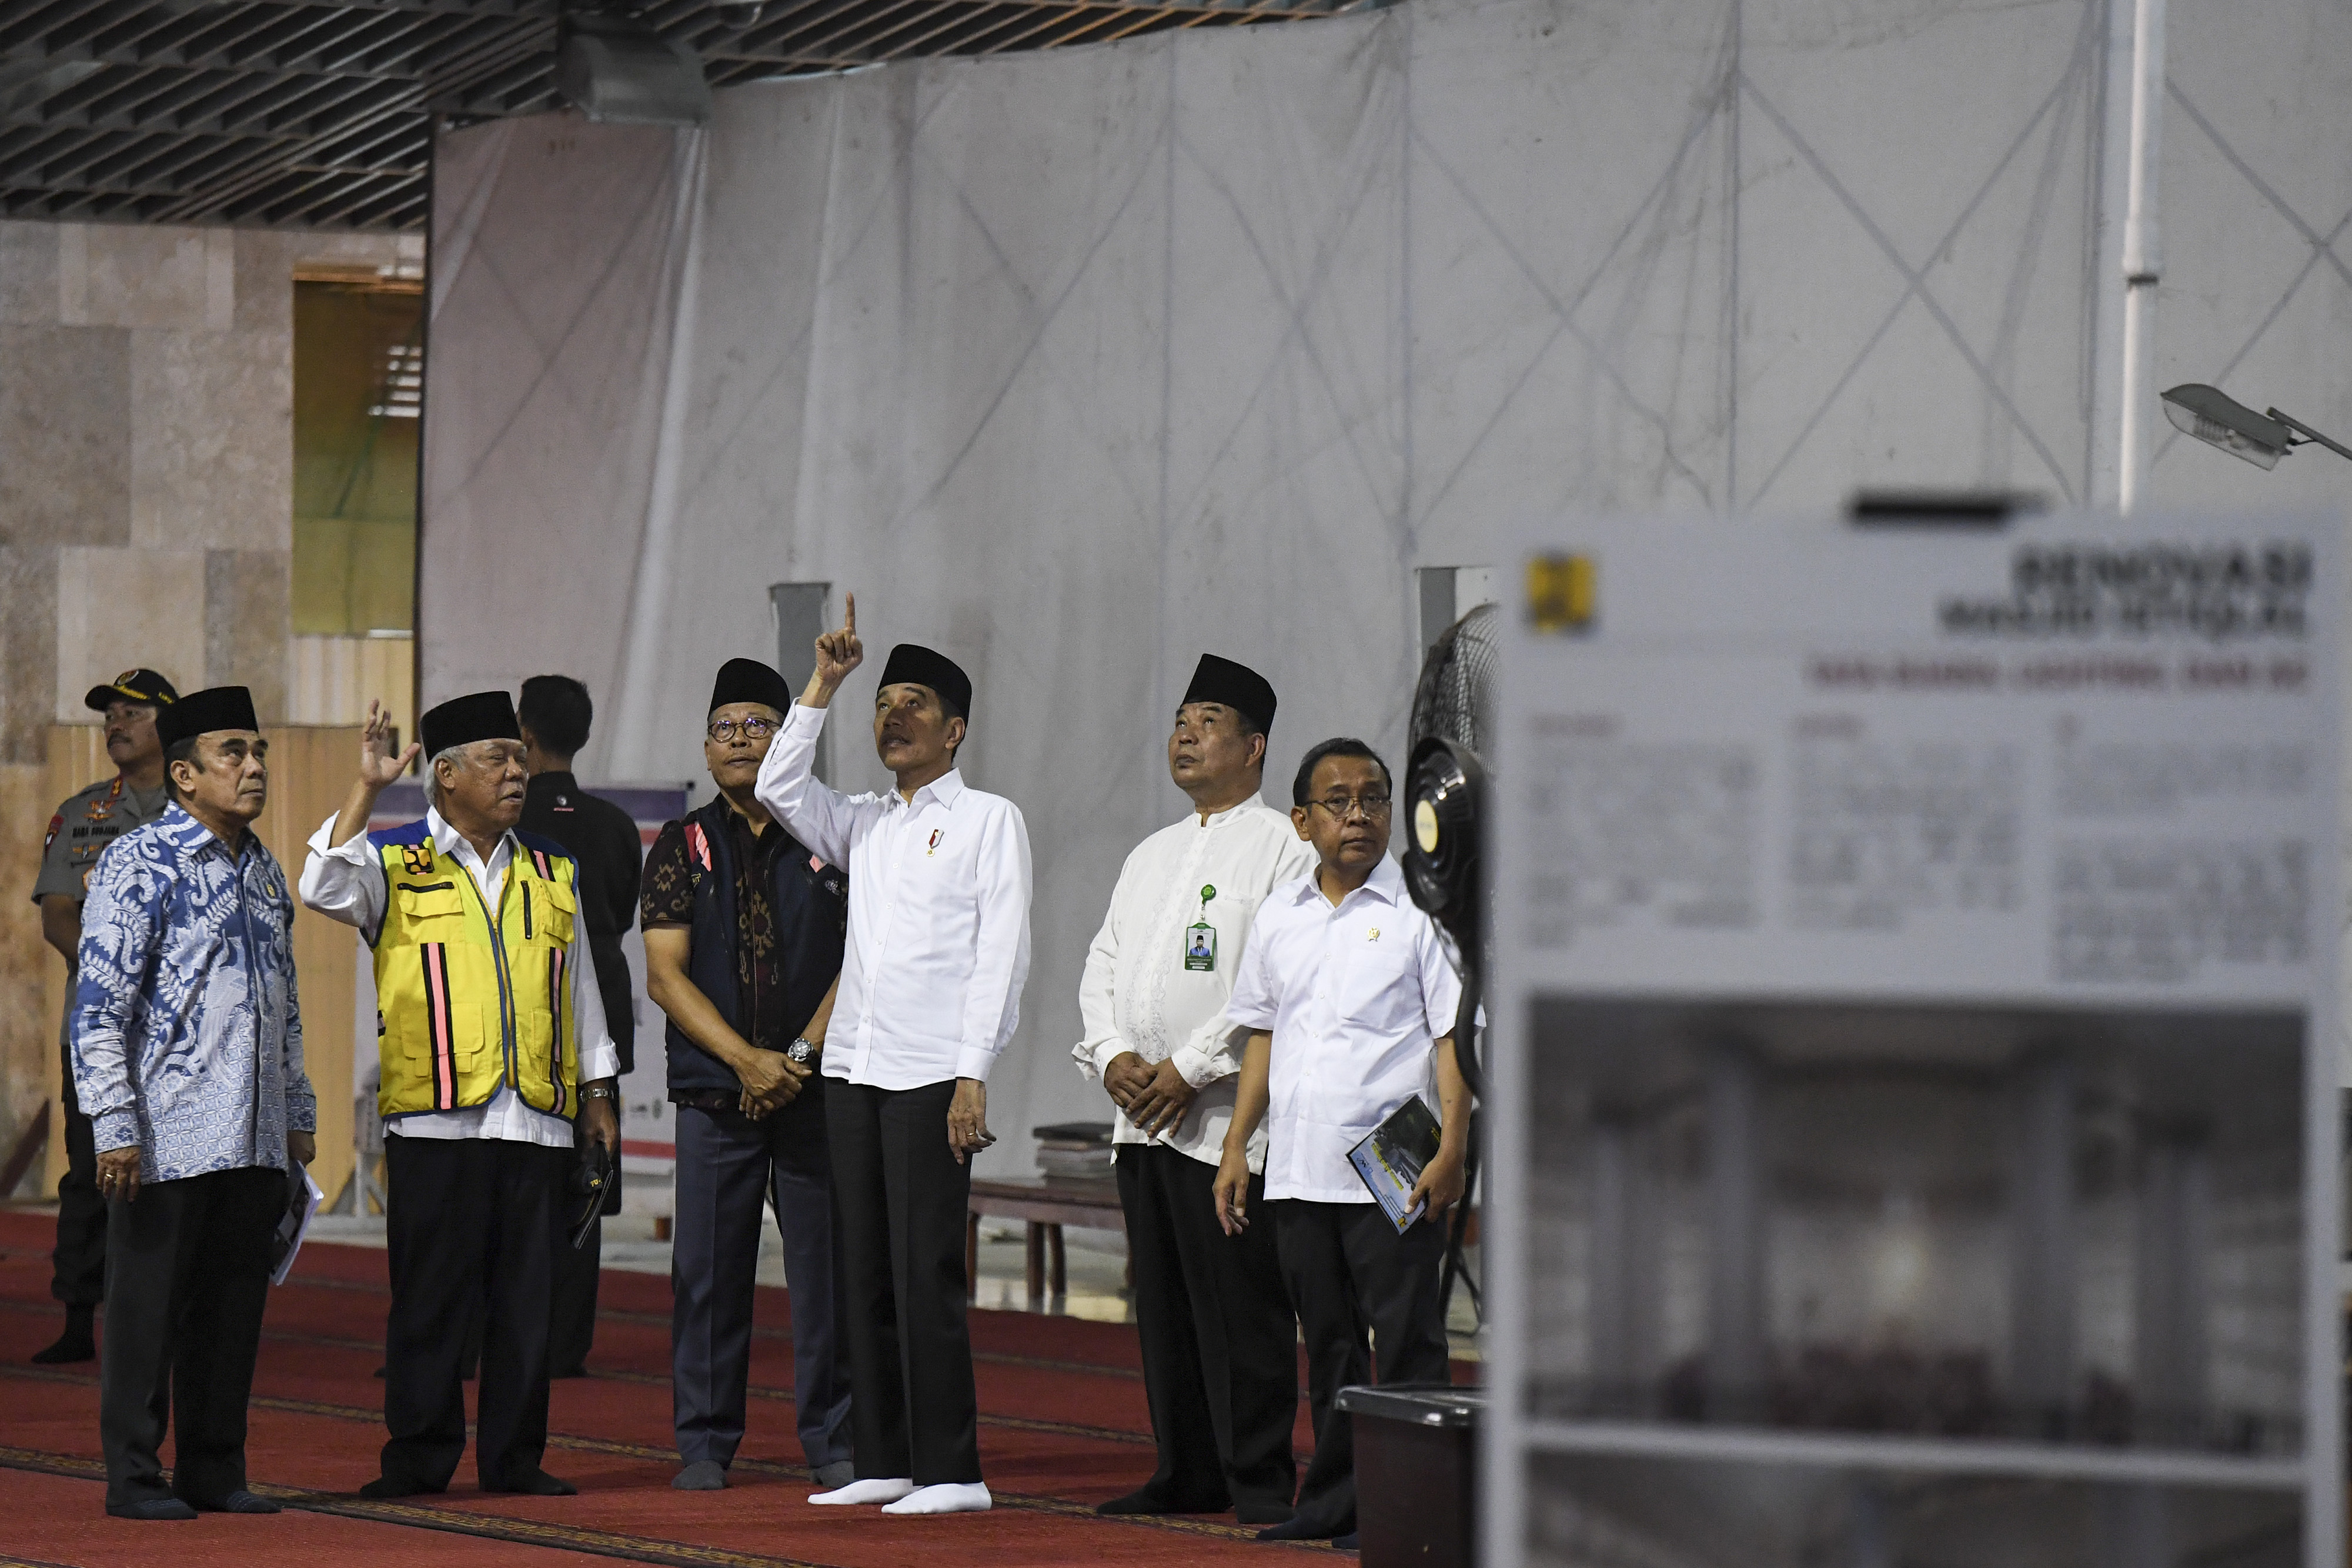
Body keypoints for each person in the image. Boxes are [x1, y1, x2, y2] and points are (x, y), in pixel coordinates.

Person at [299, 692, 620, 1499]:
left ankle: (515, 1459)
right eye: (496, 759)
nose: (517, 773)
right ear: (446, 775)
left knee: (526, 1306)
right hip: (436, 1120)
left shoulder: (551, 867)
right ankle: (418, 1457)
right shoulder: (394, 861)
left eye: (519, 758)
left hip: (535, 1120)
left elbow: (579, 984)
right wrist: (367, 787)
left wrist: (597, 1091)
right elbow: (320, 884)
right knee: (430, 1302)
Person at [756, 595, 1031, 1517]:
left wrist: (973, 1071)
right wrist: (823, 684)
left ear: (955, 730)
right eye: (883, 703)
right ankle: (885, 1456)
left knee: (925, 1273)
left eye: (914, 703)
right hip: (853, 1072)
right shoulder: (865, 821)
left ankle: (954, 1470)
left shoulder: (990, 819)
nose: (893, 715)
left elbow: (1002, 954)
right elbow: (779, 787)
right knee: (861, 1269)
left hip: (931, 1075)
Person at [1213, 738, 1471, 1547]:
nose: (1359, 814)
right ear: (1302, 820)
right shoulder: (1280, 914)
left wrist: (1454, 1148)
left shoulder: (1423, 909)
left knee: (1408, 1343)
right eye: (1338, 801)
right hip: (1298, 1166)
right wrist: (1236, 1144)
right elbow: (1263, 1034)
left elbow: (1452, 1039)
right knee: (1328, 1346)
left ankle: (1414, 1512)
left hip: (1397, 1160)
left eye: (1374, 798)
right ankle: (1334, 1502)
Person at [1073, 654, 1311, 1524]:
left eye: (1207, 721)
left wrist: (1189, 1066)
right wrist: (1110, 1054)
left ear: (1254, 746)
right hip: (1141, 1118)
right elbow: (1103, 961)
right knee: (1165, 1306)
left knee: (1240, 1305)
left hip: (1223, 1123)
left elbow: (1274, 982)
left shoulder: (1283, 847)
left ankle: (1258, 1479)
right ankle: (1186, 1471)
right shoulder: (1152, 852)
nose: (1185, 734)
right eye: (1180, 720)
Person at [72, 685, 318, 1520]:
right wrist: (114, 1124)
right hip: (165, 1133)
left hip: (252, 1137)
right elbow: (98, 1006)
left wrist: (297, 1113)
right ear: (184, 773)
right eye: (232, 753)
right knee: (146, 1316)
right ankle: (135, 1476)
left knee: (230, 1313)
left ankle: (213, 1468)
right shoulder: (139, 861)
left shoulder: (264, 868)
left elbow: (284, 1004)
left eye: (258, 752)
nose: (254, 768)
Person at [643, 657, 854, 1492]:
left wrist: (796, 1059)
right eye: (724, 728)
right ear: (705, 747)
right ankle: (704, 1443)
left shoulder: (830, 836)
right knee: (707, 1274)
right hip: (714, 1092)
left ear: (789, 739)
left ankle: (834, 1439)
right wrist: (745, 1060)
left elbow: (864, 958)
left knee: (825, 1272)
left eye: (758, 725)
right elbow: (665, 976)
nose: (739, 740)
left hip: (815, 1089)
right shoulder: (681, 843)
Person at [29, 668, 179, 1365]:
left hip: (183, 1033)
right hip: (100, 1031)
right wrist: (116, 975)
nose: (115, 725)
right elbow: (59, 915)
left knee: (178, 1176)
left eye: (131, 713)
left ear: (167, 725)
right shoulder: (82, 813)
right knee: (93, 1170)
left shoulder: (200, 810)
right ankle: (77, 1317)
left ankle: (171, 1313)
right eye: (110, 715)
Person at [517, 674, 645, 1379]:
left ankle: (504, 1335)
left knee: (515, 1183)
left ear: (524, 734)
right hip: (603, 1019)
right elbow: (620, 914)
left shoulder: (507, 821)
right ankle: (568, 1345)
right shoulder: (615, 825)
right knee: (587, 1179)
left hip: (529, 1015)